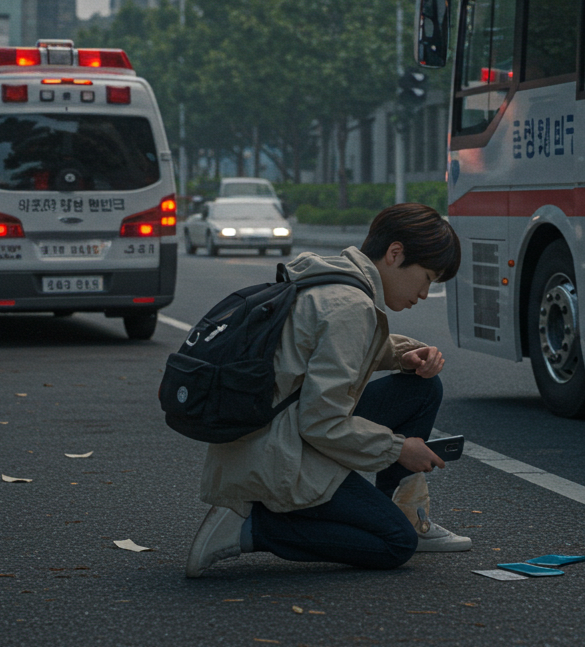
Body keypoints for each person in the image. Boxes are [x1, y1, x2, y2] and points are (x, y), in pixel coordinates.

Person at [186, 203, 469, 577]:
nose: (424, 292)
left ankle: (403, 509)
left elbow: (328, 353)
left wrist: (403, 356)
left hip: (271, 434)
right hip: (279, 457)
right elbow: (321, 422)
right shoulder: (351, 306)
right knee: (395, 544)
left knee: (422, 389)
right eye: (427, 276)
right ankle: (251, 526)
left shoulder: (334, 280)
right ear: (395, 253)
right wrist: (399, 448)